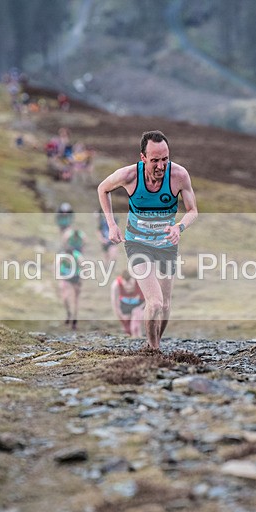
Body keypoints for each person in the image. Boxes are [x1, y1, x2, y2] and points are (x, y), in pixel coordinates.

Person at [97, 130, 198, 350]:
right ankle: (153, 350)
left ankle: (155, 343)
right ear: (143, 158)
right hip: (137, 243)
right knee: (155, 302)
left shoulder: (179, 175)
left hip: (166, 244)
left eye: (165, 159)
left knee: (166, 304)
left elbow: (193, 210)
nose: (161, 166)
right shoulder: (129, 175)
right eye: (155, 161)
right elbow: (102, 189)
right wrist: (111, 225)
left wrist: (179, 227)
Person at [111, 270, 146, 337]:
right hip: (125, 304)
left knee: (136, 324)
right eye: (126, 284)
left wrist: (140, 310)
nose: (129, 287)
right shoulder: (116, 285)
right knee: (128, 328)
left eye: (130, 284)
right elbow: (115, 304)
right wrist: (121, 317)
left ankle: (139, 335)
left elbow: (149, 300)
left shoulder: (141, 282)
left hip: (140, 304)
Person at [58, 246, 83, 330]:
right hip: (65, 276)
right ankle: (68, 313)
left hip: (75, 276)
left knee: (76, 299)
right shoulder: (61, 256)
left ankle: (75, 319)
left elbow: (83, 267)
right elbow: (56, 266)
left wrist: (81, 279)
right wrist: (59, 278)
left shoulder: (78, 256)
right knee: (65, 297)